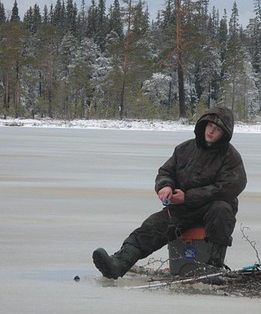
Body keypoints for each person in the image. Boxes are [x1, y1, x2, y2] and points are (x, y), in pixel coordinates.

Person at [93, 106, 247, 279]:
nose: (211, 131)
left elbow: (230, 187)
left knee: (222, 209)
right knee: (153, 226)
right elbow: (166, 172)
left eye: (218, 129)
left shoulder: (231, 157)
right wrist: (165, 186)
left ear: (224, 134)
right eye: (210, 125)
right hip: (182, 209)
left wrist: (187, 197)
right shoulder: (184, 149)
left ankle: (212, 267)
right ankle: (119, 263)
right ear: (203, 125)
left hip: (211, 209)